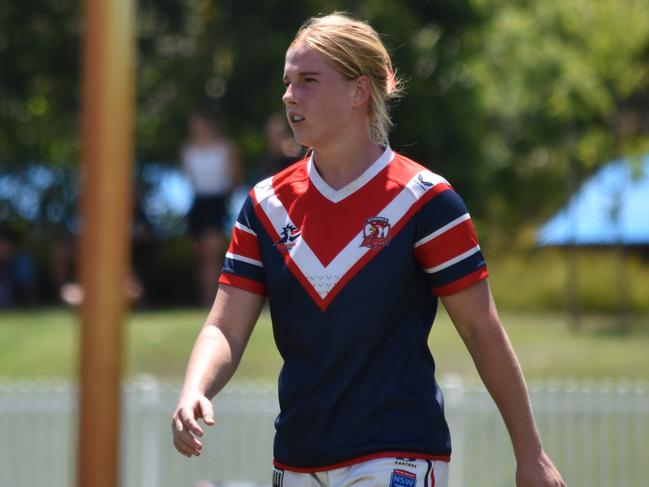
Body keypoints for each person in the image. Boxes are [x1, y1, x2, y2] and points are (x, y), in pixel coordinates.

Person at [172, 13, 566, 487]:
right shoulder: (264, 206)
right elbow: (225, 328)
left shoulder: (426, 200)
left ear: (360, 91)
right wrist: (195, 388)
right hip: (297, 457)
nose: (289, 95)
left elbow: (481, 330)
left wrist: (531, 454)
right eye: (288, 81)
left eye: (309, 80)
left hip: (398, 452)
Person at [181, 111, 243, 306]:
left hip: (218, 201)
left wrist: (225, 200)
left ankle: (217, 300)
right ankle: (205, 300)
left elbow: (235, 176)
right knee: (201, 255)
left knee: (212, 252)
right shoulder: (187, 150)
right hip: (199, 202)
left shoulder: (225, 147)